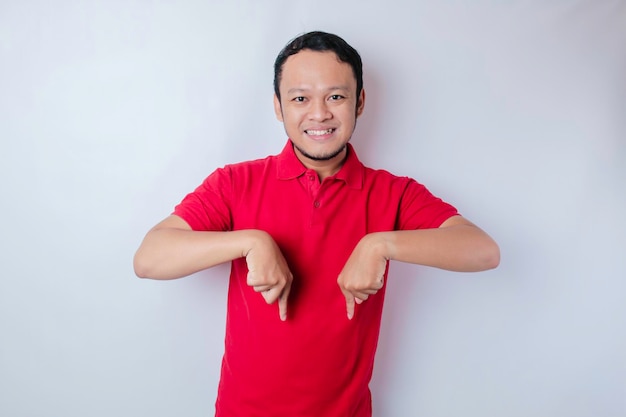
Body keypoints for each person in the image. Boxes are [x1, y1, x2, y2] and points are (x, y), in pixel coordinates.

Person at [134, 31, 500, 417]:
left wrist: (381, 245)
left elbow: (482, 250)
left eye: (336, 96)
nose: (319, 113)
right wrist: (250, 242)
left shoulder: (393, 192)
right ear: (278, 106)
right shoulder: (235, 183)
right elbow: (149, 259)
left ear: (359, 102)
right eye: (300, 98)